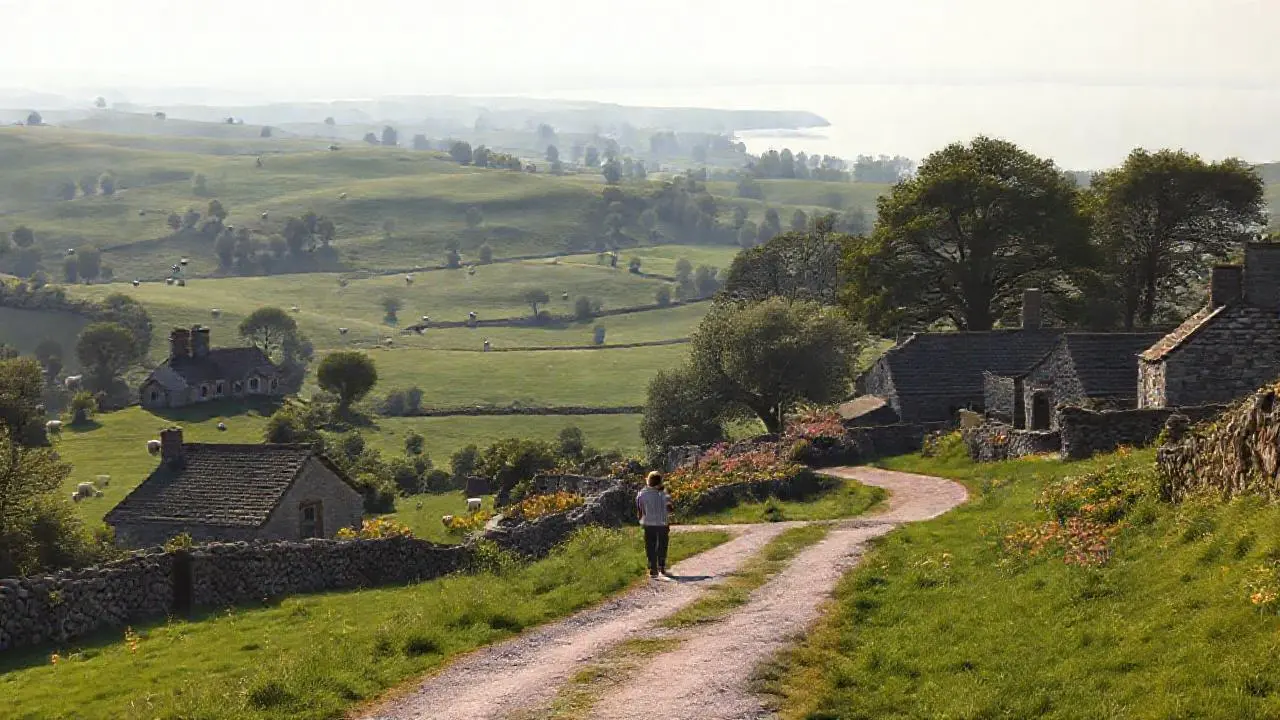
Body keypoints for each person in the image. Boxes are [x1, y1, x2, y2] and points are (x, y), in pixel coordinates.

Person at [636, 470, 674, 578]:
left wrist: (640, 520)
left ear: (648, 481)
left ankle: (653, 568)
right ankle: (661, 566)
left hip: (648, 523)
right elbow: (670, 508)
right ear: (660, 481)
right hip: (663, 523)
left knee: (650, 545)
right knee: (662, 544)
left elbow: (640, 510)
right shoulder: (664, 494)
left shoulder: (641, 494)